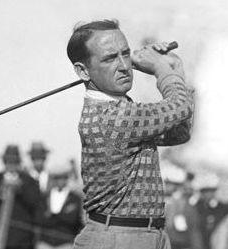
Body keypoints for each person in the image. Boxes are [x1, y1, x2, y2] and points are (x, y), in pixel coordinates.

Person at [68, 19, 194, 249]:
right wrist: (159, 68)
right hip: (118, 238)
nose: (124, 66)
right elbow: (181, 107)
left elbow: (179, 133)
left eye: (125, 54)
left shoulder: (125, 110)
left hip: (145, 235)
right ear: (83, 71)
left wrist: (174, 69)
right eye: (109, 58)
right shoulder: (112, 116)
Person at [38, 164, 84, 249]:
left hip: (66, 243)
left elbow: (73, 219)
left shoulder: (74, 198)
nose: (60, 181)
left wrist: (53, 216)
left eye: (63, 178)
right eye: (57, 178)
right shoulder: (45, 197)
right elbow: (40, 218)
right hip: (45, 243)